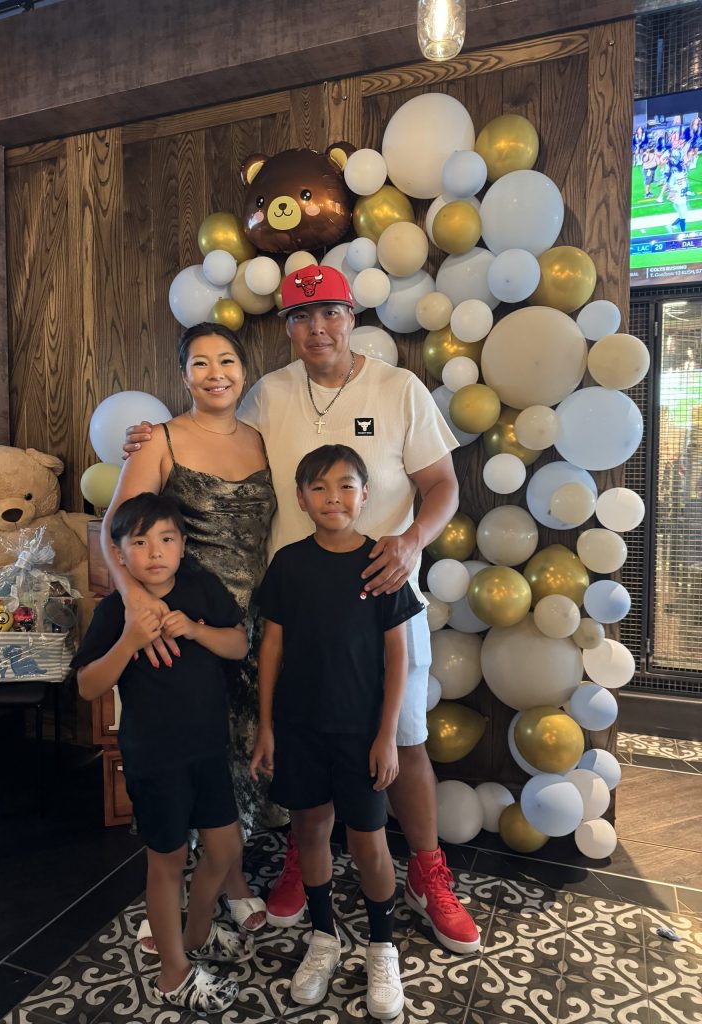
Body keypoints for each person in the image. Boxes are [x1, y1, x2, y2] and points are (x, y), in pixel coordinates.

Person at [126, 264, 481, 955]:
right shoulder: (267, 394)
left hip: (382, 594)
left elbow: (442, 484)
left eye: (331, 314)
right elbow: (216, 441)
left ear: (352, 318)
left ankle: (428, 874)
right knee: (299, 735)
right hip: (293, 604)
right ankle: (301, 857)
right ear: (286, 328)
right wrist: (153, 444)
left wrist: (410, 542)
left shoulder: (398, 387)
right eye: (302, 317)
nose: (318, 329)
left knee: (405, 741)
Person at [106, 322, 288, 946]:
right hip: (189, 620)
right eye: (201, 363)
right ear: (182, 374)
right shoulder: (159, 439)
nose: (216, 373)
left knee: (242, 752)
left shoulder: (264, 439)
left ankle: (222, 879)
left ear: (244, 369)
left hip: (253, 621)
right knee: (206, 746)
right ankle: (225, 889)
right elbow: (117, 528)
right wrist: (134, 601)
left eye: (228, 361)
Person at [250, 444, 422, 1018]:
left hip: (360, 732)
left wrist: (386, 735)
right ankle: (323, 937)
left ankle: (381, 946)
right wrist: (267, 727)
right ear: (300, 499)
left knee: (371, 842)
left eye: (346, 486)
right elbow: (270, 646)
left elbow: (397, 656)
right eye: (319, 489)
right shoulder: (289, 564)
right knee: (311, 831)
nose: (333, 498)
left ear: (365, 495)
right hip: (299, 728)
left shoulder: (382, 562)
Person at [73, 493, 253, 1012]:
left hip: (207, 751)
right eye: (140, 541)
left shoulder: (200, 588)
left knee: (224, 850)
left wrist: (195, 629)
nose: (155, 552)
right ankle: (173, 973)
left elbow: (239, 645)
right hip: (155, 758)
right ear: (121, 555)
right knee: (167, 860)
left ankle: (195, 936)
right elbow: (88, 686)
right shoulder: (116, 611)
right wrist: (129, 641)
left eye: (167, 539)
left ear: (183, 546)